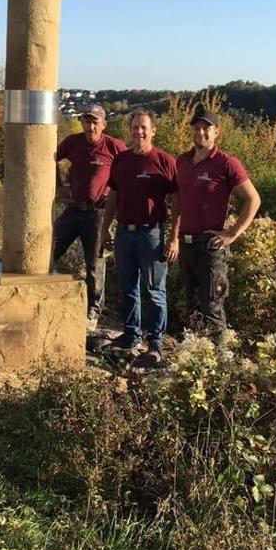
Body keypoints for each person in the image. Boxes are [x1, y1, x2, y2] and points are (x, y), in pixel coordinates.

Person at [168, 104, 261, 341]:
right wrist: (174, 236)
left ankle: (221, 358)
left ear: (216, 132)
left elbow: (253, 199)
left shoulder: (226, 163)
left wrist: (232, 233)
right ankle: (194, 355)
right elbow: (178, 202)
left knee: (212, 308)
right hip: (186, 244)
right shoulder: (182, 162)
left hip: (210, 247)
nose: (201, 132)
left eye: (206, 128)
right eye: (196, 128)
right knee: (190, 307)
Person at [100, 109, 179, 371]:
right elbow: (113, 196)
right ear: (130, 130)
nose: (139, 132)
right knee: (128, 287)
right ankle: (131, 335)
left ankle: (155, 343)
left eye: (144, 127)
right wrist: (105, 228)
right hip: (124, 233)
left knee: (155, 290)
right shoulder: (121, 160)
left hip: (151, 234)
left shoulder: (164, 161)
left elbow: (177, 202)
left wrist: (174, 237)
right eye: (135, 127)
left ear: (153, 131)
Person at [53, 104, 126, 329]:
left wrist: (118, 204)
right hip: (74, 209)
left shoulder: (114, 146)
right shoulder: (73, 142)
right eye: (87, 121)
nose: (90, 126)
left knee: (95, 265)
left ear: (103, 124)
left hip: (99, 213)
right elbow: (50, 157)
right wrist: (59, 185)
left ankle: (93, 312)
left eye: (95, 122)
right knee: (49, 249)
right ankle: (48, 295)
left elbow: (129, 172)